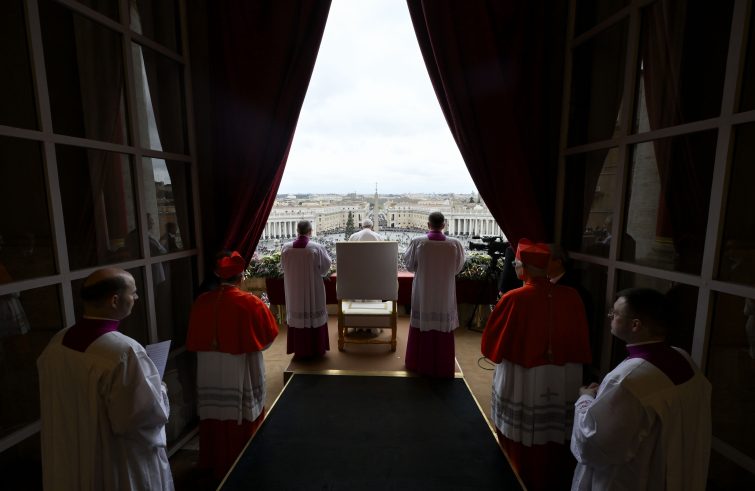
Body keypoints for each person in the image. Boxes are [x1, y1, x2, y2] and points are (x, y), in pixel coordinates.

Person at [37, 267, 173, 490]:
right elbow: (140, 418)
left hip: (70, 446)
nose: (136, 297)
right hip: (112, 458)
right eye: (133, 292)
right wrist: (160, 390)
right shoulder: (124, 351)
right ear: (115, 300)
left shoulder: (58, 341)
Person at [570, 288, 712, 490]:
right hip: (676, 467)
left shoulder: (628, 379)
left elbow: (594, 443)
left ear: (635, 325)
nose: (610, 317)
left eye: (615, 313)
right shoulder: (682, 357)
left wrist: (585, 398)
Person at [481, 239, 592, 491]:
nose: (514, 266)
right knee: (554, 427)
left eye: (517, 263)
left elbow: (491, 343)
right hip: (563, 371)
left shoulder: (514, 298)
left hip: (523, 373)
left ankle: (517, 473)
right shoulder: (572, 296)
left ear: (525, 269)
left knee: (523, 428)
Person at [186, 251, 279, 480]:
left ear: (218, 275)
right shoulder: (251, 303)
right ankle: (244, 461)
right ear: (241, 276)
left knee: (214, 409)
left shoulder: (202, 301)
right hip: (242, 367)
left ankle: (213, 460)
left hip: (208, 367)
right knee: (242, 409)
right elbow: (267, 339)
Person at [403, 211, 466, 377]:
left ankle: (418, 362)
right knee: (442, 322)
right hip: (444, 291)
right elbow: (458, 268)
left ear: (428, 225)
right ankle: (443, 365)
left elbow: (409, 266)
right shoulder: (455, 244)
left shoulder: (418, 242)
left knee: (422, 322)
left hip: (423, 290)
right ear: (444, 225)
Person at [281, 220, 332, 357]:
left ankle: (300, 350)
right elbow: (325, 268)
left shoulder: (286, 248)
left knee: (297, 314)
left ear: (297, 231)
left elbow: (283, 267)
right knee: (314, 313)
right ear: (310, 231)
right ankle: (316, 349)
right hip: (313, 288)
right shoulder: (316, 248)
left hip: (294, 289)